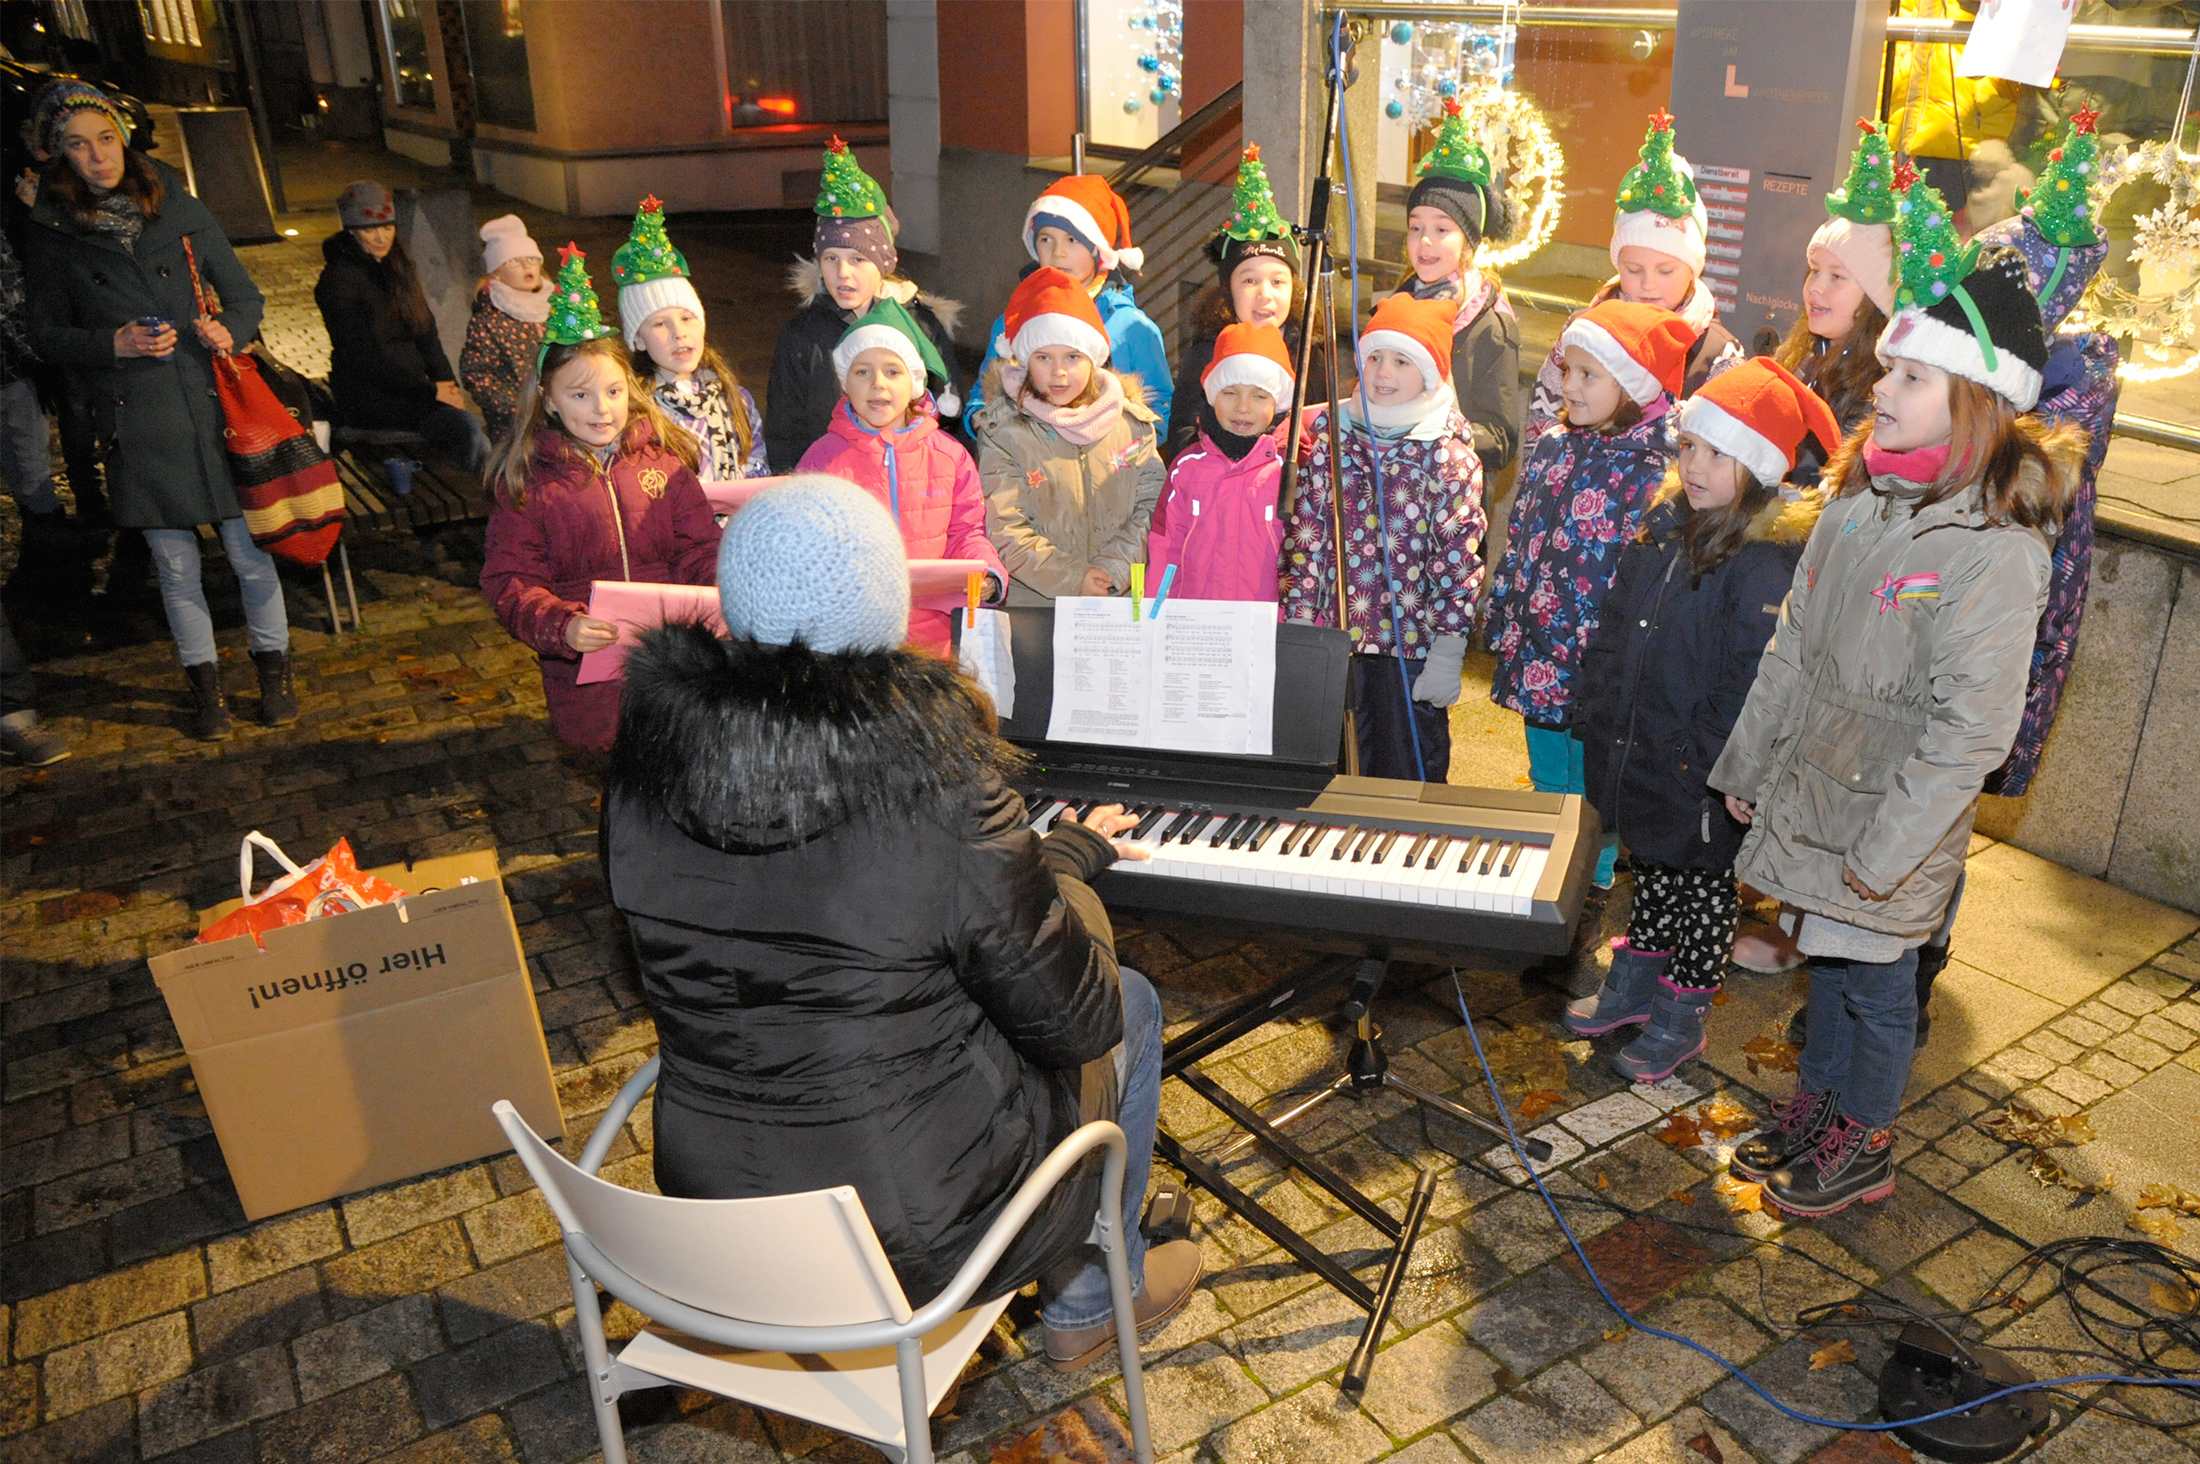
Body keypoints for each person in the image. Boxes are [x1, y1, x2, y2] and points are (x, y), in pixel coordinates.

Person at [603, 476, 1205, 1370]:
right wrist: (1063, 866)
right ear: (882, 607)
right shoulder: (935, 783)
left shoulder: (643, 767)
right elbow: (1077, 1017)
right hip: (907, 1239)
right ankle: (1086, 1301)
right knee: (1138, 1001)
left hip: (705, 1221)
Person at [1712, 204, 2082, 1219]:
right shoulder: (1856, 501)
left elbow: (1970, 730)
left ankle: (1861, 1142)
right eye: (1887, 371)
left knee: (1874, 991)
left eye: (1908, 377)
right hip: (1815, 794)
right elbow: (1794, 647)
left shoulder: (1998, 550)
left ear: (1972, 401)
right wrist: (1749, 767)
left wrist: (1891, 853)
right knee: (1824, 968)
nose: (1879, 387)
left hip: (1892, 825)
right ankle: (1816, 1111)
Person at [1564, 359, 1835, 1082]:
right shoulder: (1662, 526)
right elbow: (1618, 626)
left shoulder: (1764, 559)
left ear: (1758, 467)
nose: (1697, 466)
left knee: (1704, 893)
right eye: (1689, 447)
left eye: (1720, 453)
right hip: (1643, 744)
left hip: (1701, 766)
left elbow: (1749, 678)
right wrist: (1596, 709)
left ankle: (1682, 1015)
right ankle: (1636, 987)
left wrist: (1704, 758)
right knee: (1652, 869)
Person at [21, 80, 296, 740]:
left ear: (124, 138)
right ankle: (205, 689)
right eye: (79, 146)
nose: (98, 157)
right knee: (176, 568)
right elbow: (44, 333)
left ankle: (273, 674)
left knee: (250, 555)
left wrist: (229, 328)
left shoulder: (178, 206)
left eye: (107, 139)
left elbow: (245, 296)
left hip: (212, 408)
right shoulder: (52, 234)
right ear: (60, 156)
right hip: (137, 418)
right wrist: (111, 343)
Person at [1735, 122, 1899, 975]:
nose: (1816, 288)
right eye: (1812, 270)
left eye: (1838, 276)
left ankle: (1802, 923)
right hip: (1781, 583)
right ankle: (1774, 896)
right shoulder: (1807, 356)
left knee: (1816, 755)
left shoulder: (1882, 382)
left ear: (1876, 294)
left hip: (1831, 588)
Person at [479, 248, 720, 755]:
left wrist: (722, 590)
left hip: (674, 668)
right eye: (580, 396)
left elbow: (698, 546)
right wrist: (561, 626)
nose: (601, 409)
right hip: (592, 681)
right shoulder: (529, 484)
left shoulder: (665, 464)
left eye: (612, 391)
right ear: (547, 399)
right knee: (620, 784)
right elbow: (511, 580)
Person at [1484, 301, 1689, 886]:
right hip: (1538, 649)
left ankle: (1589, 888)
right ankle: (1547, 875)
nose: (1567, 386)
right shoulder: (1553, 444)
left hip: (1600, 662)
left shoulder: (1656, 468)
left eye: (1587, 375)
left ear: (1631, 384)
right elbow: (1520, 535)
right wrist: (1504, 618)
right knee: (1548, 770)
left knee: (1595, 783)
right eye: (1566, 370)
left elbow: (1653, 581)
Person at [1282, 293, 1486, 782]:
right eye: (1374, 357)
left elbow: (1457, 562)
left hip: (1410, 648)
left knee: (1407, 764)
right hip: (1336, 639)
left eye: (1401, 361)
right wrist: (1300, 628)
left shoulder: (1446, 457)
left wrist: (1448, 648)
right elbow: (1308, 543)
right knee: (1331, 765)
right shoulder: (1335, 438)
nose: (1383, 372)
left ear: (1431, 374)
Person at [795, 297, 1006, 655]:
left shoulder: (949, 457)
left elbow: (966, 532)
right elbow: (801, 544)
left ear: (914, 383)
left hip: (929, 641)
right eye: (862, 372)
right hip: (847, 642)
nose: (878, 383)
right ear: (845, 383)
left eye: (893, 372)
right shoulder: (822, 460)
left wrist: (985, 573)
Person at [1524, 111, 1741, 446]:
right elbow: (1541, 420)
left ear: (1693, 268)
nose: (1648, 284)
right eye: (1633, 270)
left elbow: (1725, 453)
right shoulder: (1583, 331)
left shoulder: (1715, 354)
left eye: (1666, 271)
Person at [765, 138, 962, 472]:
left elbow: (949, 421)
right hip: (831, 491)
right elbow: (785, 433)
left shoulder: (921, 326)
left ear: (882, 262)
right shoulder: (802, 337)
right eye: (831, 259)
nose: (842, 274)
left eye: (858, 259)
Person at [972, 268, 1164, 604]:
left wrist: (1112, 571)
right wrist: (1074, 578)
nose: (1059, 372)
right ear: (1025, 361)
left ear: (1094, 360)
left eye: (1073, 357)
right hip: (1036, 605)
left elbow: (1152, 507)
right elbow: (1004, 524)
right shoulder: (1003, 430)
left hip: (1117, 599)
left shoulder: (1133, 425)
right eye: (1044, 357)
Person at [1161, 145, 1327, 462]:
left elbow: (1320, 428)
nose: (1265, 294)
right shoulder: (1208, 346)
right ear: (1229, 290)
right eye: (1249, 281)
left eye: (1278, 281)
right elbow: (1182, 432)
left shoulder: (1307, 346)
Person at [314, 180, 487, 472]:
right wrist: (431, 391)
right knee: (465, 429)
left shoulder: (400, 266)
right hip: (371, 397)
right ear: (352, 231)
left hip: (413, 391)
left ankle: (484, 494)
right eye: (369, 230)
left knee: (467, 427)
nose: (381, 237)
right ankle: (483, 495)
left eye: (387, 227)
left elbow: (426, 332)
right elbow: (366, 356)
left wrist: (447, 383)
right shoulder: (338, 281)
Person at [969, 174, 1171, 423]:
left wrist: (1115, 440)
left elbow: (1161, 409)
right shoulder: (1011, 323)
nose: (1057, 252)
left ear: (1098, 250)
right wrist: (985, 426)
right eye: (1046, 240)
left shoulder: (1130, 327)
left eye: (1073, 240)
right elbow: (980, 399)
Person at [1391, 99, 1523, 478]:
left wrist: (1438, 429)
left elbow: (1501, 439)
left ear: (1469, 240)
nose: (1425, 242)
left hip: (1450, 504)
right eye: (1416, 227)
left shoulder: (1489, 325)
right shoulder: (1401, 301)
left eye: (1441, 229)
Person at [610, 197, 766, 484]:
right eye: (659, 324)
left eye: (687, 318)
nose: (678, 332)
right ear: (639, 340)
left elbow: (756, 464)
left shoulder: (735, 399)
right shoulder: (636, 410)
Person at [1145, 323, 1293, 606]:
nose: (1243, 406)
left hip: (1271, 628)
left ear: (1278, 402)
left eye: (1259, 395)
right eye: (1230, 393)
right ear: (1212, 397)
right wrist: (1157, 614)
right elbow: (1166, 546)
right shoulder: (1188, 467)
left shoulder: (1291, 469)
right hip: (1199, 626)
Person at [459, 213, 551, 448]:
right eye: (514, 261)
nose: (527, 266)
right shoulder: (489, 319)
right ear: (496, 272)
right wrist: (516, 407)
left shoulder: (556, 307)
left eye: (532, 259)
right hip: (514, 427)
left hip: (559, 416)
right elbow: (477, 373)